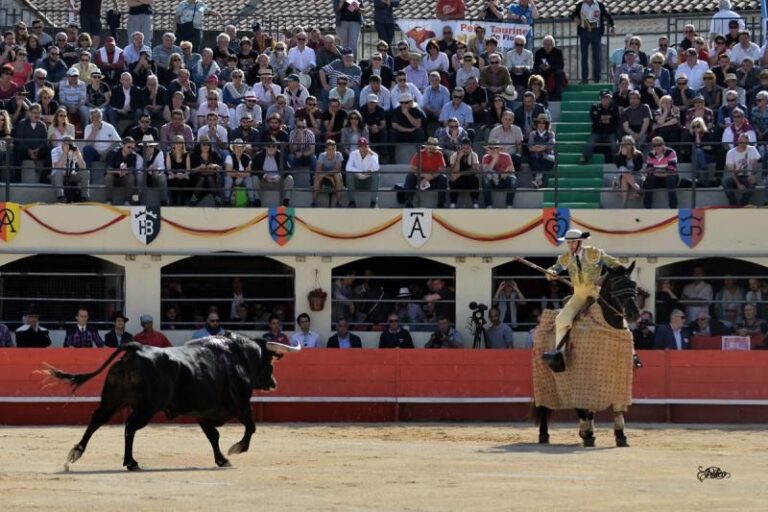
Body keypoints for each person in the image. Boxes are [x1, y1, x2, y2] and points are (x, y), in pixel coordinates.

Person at [546, 229, 620, 364]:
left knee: (616, 315)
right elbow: (554, 269)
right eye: (568, 242)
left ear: (580, 242)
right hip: (579, 295)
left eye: (573, 242)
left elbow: (616, 265)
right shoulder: (566, 258)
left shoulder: (594, 253)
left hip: (597, 292)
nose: (570, 245)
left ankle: (630, 351)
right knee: (561, 319)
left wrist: (603, 278)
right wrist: (551, 273)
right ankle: (560, 353)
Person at [570, 0, 615, 84]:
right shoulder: (580, 5)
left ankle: (596, 79)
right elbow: (573, 15)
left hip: (596, 32)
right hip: (584, 31)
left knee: (596, 56)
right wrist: (575, 19)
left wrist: (612, 26)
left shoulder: (599, 5)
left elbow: (608, 16)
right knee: (584, 57)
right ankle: (584, 79)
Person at [404, 137, 448, 208]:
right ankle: (409, 201)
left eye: (434, 147)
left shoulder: (439, 154)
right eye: (430, 147)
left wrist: (430, 177)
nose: (432, 149)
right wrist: (424, 175)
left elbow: (441, 169)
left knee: (443, 178)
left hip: (433, 179)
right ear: (427, 146)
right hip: (420, 178)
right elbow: (413, 168)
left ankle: (441, 203)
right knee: (410, 177)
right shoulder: (420, 153)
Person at [581, 89, 619, 165]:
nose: (605, 99)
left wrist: (600, 119)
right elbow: (594, 119)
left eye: (607, 97)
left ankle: (617, 162)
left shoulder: (615, 107)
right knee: (590, 142)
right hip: (597, 133)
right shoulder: (594, 107)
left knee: (614, 145)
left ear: (610, 98)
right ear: (600, 98)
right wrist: (608, 119)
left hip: (610, 133)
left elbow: (615, 120)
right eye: (603, 97)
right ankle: (584, 159)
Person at [723, 133, 760, 206]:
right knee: (725, 182)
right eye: (741, 142)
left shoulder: (752, 149)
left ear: (748, 142)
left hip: (747, 176)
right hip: (735, 176)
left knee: (752, 183)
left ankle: (742, 204)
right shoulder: (731, 153)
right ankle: (733, 204)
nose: (743, 144)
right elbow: (732, 171)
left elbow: (755, 166)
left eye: (745, 142)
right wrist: (738, 184)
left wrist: (752, 174)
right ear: (738, 141)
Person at [50, 135, 91, 203]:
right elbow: (57, 166)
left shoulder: (74, 150)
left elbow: (83, 167)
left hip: (72, 175)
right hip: (58, 176)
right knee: (58, 172)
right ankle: (61, 196)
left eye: (71, 143)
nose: (69, 145)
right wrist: (65, 153)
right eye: (67, 143)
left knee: (86, 172)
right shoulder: (55, 150)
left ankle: (84, 196)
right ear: (62, 144)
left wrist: (78, 155)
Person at [643, 136, 678, 209]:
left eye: (659, 145)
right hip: (658, 179)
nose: (657, 147)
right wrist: (661, 172)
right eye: (654, 145)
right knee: (649, 179)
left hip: (670, 178)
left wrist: (656, 172)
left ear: (663, 144)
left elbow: (671, 170)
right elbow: (649, 171)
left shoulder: (671, 152)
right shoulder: (650, 154)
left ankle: (673, 207)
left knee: (670, 178)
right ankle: (647, 207)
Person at [481, 139, 517, 208]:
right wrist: (494, 159)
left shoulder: (506, 156)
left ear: (499, 148)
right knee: (485, 180)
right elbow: (485, 172)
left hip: (504, 180)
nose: (493, 150)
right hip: (492, 181)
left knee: (513, 179)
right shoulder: (486, 157)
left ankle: (509, 205)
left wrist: (506, 174)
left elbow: (512, 170)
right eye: (491, 148)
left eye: (496, 148)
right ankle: (489, 206)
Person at [346, 137, 380, 208]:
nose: (363, 148)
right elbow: (348, 167)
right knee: (349, 174)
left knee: (376, 174)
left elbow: (376, 168)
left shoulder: (374, 155)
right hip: (357, 181)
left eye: (365, 146)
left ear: (368, 146)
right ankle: (352, 202)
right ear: (358, 147)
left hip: (368, 182)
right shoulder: (353, 154)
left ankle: (373, 203)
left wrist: (371, 154)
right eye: (360, 146)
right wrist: (361, 172)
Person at [613, 135, 644, 208]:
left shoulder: (638, 155)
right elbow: (619, 167)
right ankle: (637, 188)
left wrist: (629, 174)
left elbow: (638, 168)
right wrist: (623, 156)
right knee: (623, 170)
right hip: (623, 176)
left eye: (628, 143)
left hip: (636, 176)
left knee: (625, 178)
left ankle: (624, 205)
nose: (626, 145)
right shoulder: (618, 156)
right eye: (624, 143)